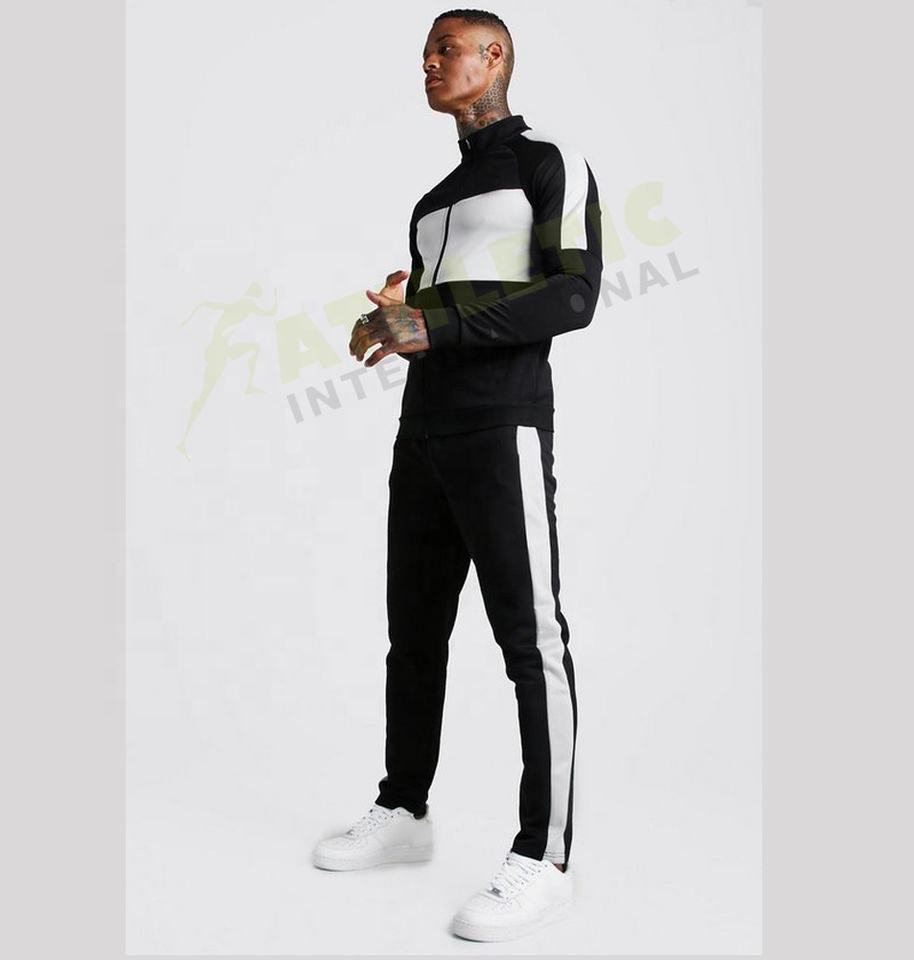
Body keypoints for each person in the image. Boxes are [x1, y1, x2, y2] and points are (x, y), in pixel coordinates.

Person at [313, 8, 603, 943]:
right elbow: (444, 315)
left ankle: (545, 858)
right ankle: (404, 810)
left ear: (495, 56)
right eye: (426, 51)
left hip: (501, 425)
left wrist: (434, 324)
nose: (429, 62)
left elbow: (573, 294)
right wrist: (397, 315)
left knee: (531, 639)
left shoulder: (548, 162)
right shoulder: (434, 196)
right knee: (414, 634)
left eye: (447, 48)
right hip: (424, 433)